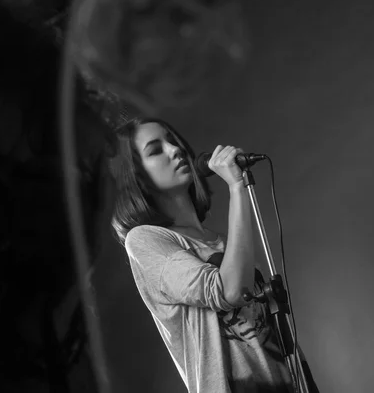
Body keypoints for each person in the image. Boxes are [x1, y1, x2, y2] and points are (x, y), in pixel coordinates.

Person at [109, 117, 294, 392]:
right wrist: (236, 186)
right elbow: (230, 291)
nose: (175, 150)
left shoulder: (221, 241)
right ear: (134, 176)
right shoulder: (145, 240)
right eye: (155, 150)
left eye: (173, 140)